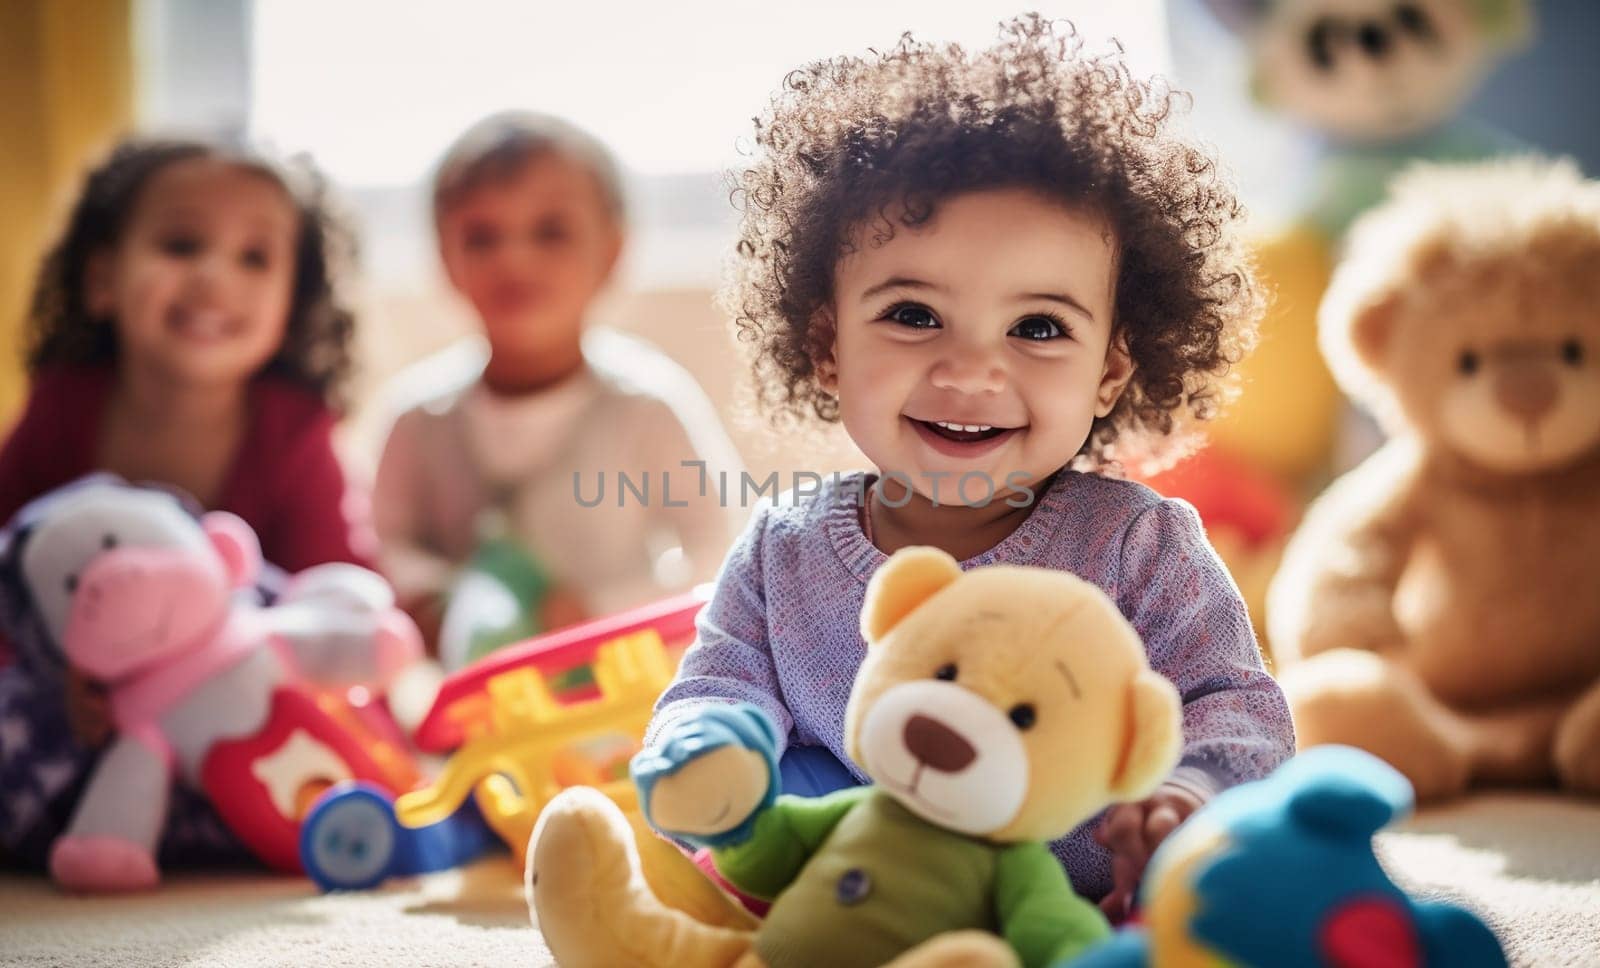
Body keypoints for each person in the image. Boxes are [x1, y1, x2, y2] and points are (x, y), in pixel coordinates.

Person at [642, 16, 1295, 918]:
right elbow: (717, 688)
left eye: (1037, 328)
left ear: (1111, 370)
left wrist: (1187, 796)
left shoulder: (1140, 545)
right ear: (827, 345)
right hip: (868, 907)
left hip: (1083, 915)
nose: (971, 371)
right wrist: (707, 751)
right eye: (913, 314)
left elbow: (1241, 709)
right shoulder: (782, 551)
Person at [0, 134, 371, 867]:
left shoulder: (295, 432)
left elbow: (340, 595)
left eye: (253, 258)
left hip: (238, 707)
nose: (213, 276)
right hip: (84, 719)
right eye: (180, 244)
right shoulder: (63, 410)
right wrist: (52, 672)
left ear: (291, 306)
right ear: (102, 279)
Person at [372, 111, 745, 668]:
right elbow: (378, 541)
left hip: (618, 701)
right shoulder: (418, 415)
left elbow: (721, 549)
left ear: (612, 250)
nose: (514, 258)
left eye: (551, 232)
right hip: (474, 701)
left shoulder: (646, 405)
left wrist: (600, 610)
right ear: (445, 258)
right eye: (482, 237)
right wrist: (437, 596)